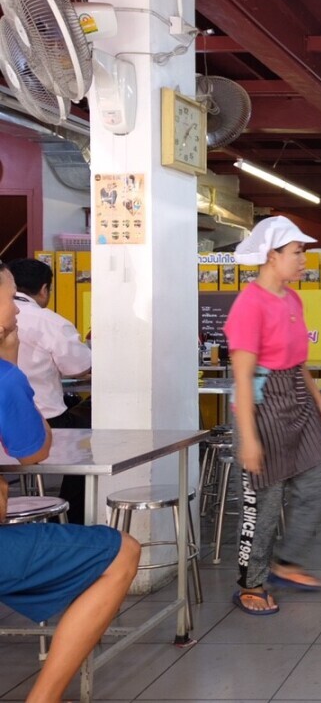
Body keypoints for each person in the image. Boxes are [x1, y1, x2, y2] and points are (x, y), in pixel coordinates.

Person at [0, 260, 141, 703]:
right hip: (44, 428)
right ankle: (44, 697)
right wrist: (10, 365)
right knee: (122, 550)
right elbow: (34, 450)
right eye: (7, 298)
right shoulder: (7, 376)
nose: (16, 309)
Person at [224, 216, 321, 615]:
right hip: (260, 405)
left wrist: (320, 401)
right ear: (272, 256)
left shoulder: (292, 299)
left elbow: (298, 361)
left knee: (318, 477)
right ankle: (250, 582)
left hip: (296, 395)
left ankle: (285, 562)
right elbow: (242, 376)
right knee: (264, 500)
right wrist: (248, 438)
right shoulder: (249, 304)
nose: (304, 259)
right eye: (297, 252)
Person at [9, 258, 94, 521]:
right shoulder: (48, 321)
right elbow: (79, 366)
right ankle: (72, 518)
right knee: (91, 436)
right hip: (42, 424)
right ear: (44, 289)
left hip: (13, 425)